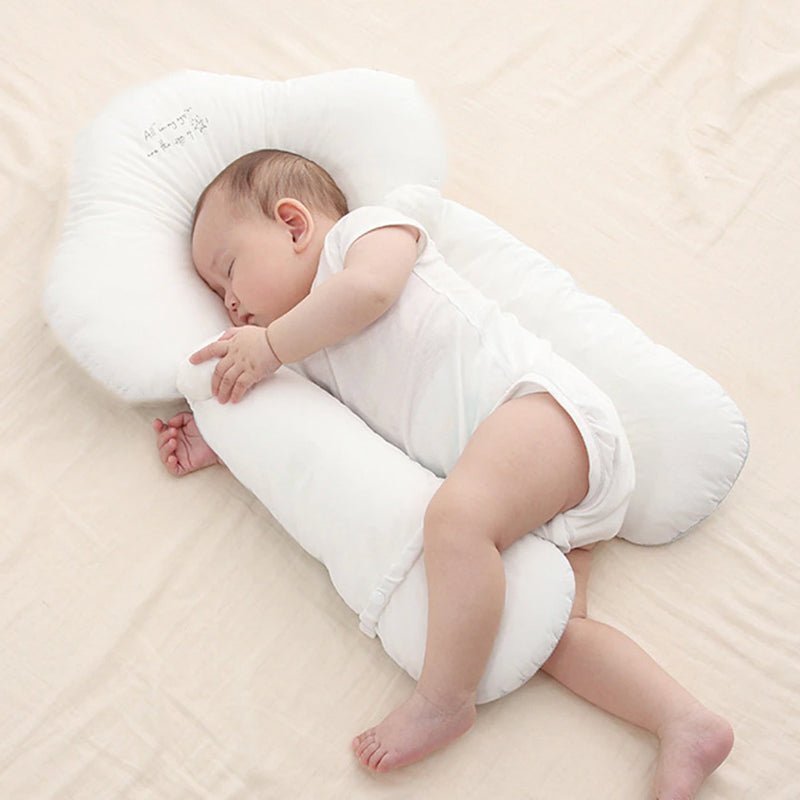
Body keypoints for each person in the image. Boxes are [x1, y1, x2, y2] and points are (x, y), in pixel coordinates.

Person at [152, 149, 733, 797]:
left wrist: (269, 347)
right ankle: (684, 723)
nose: (229, 302)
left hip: (542, 414)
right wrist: (227, 439)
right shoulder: (306, 360)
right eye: (217, 295)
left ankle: (443, 699)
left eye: (229, 271)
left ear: (294, 225)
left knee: (453, 520)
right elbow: (316, 442)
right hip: (532, 494)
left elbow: (372, 292)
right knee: (550, 631)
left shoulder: (363, 237)